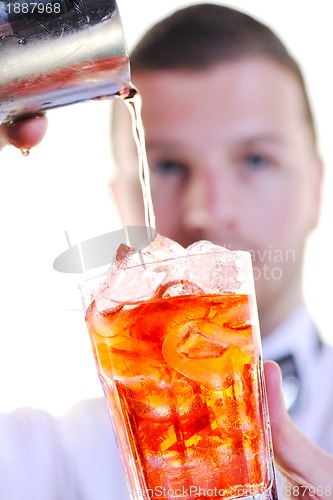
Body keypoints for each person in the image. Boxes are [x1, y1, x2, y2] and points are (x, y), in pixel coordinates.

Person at [1, 4, 333, 499]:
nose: (209, 210)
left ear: (316, 188)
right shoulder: (46, 458)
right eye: (169, 166)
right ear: (121, 201)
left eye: (256, 159)